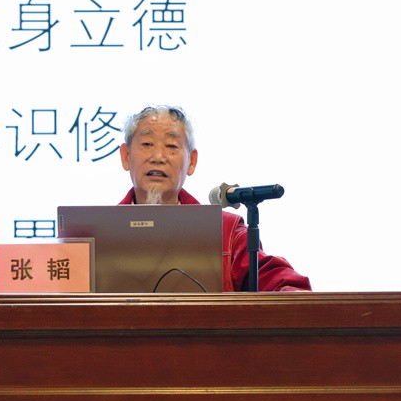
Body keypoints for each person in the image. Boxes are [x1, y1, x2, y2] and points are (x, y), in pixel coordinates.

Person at [118, 105, 311, 292]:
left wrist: (294, 296)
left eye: (171, 146)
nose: (158, 156)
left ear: (191, 161)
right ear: (126, 156)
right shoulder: (102, 231)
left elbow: (273, 278)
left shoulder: (226, 232)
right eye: (147, 144)